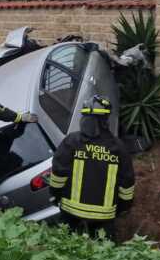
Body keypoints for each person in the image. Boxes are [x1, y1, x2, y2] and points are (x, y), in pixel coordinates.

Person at [49, 95, 135, 238]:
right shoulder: (118, 147)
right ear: (106, 120)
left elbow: (58, 173)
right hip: (104, 216)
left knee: (63, 251)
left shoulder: (72, 141)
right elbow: (127, 183)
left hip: (71, 212)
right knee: (101, 256)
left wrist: (55, 195)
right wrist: (122, 208)